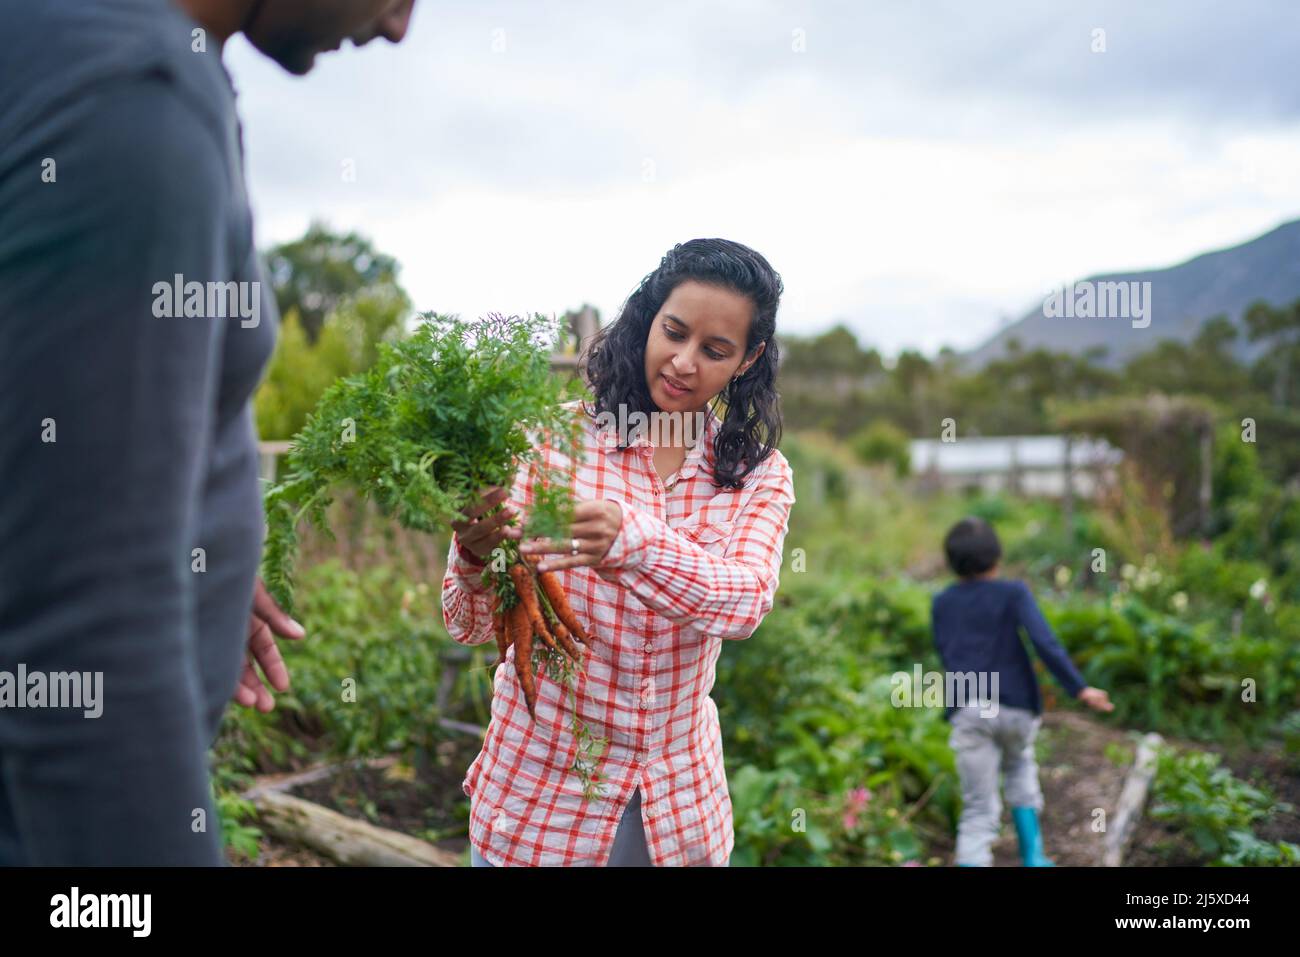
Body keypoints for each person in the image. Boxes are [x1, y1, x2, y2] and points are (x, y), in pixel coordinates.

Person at [0, 0, 416, 865]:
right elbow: (86, 653)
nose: (398, 27)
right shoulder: (131, 101)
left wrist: (189, 545)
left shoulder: (84, 46)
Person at [443, 239, 794, 866]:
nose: (684, 363)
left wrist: (631, 543)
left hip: (675, 808)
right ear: (648, 318)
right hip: (538, 802)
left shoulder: (756, 476)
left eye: (715, 351)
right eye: (674, 332)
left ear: (749, 358)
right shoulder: (546, 443)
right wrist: (475, 555)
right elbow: (467, 624)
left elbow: (743, 603)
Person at [931, 517, 1114, 867]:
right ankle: (1033, 857)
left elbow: (945, 650)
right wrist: (1079, 688)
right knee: (1019, 768)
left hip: (969, 707)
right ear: (996, 557)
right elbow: (1045, 642)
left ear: (952, 562)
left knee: (978, 809)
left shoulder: (943, 602)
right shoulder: (1013, 592)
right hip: (1015, 705)